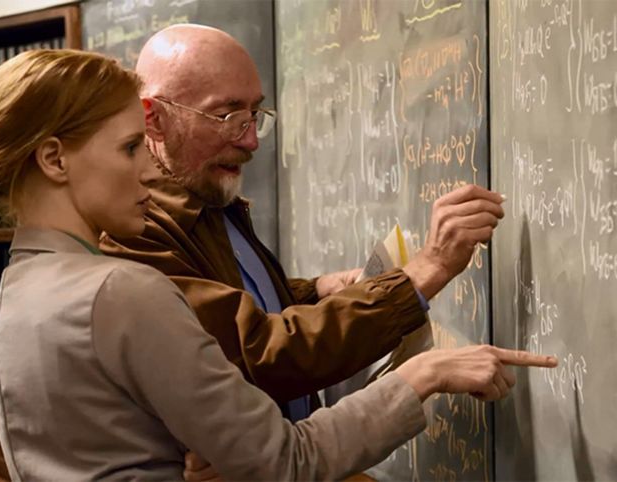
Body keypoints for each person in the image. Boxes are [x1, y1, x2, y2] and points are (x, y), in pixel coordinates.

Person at [0, 49, 557, 481]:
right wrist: (422, 376)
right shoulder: (121, 288)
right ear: (54, 160)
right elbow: (285, 462)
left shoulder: (18, 288)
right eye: (130, 147)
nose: (148, 167)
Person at [100, 23, 508, 421]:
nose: (250, 140)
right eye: (226, 116)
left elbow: (235, 305)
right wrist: (425, 271)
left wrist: (314, 292)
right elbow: (257, 354)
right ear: (153, 118)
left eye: (255, 113)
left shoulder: (207, 195)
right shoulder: (138, 230)